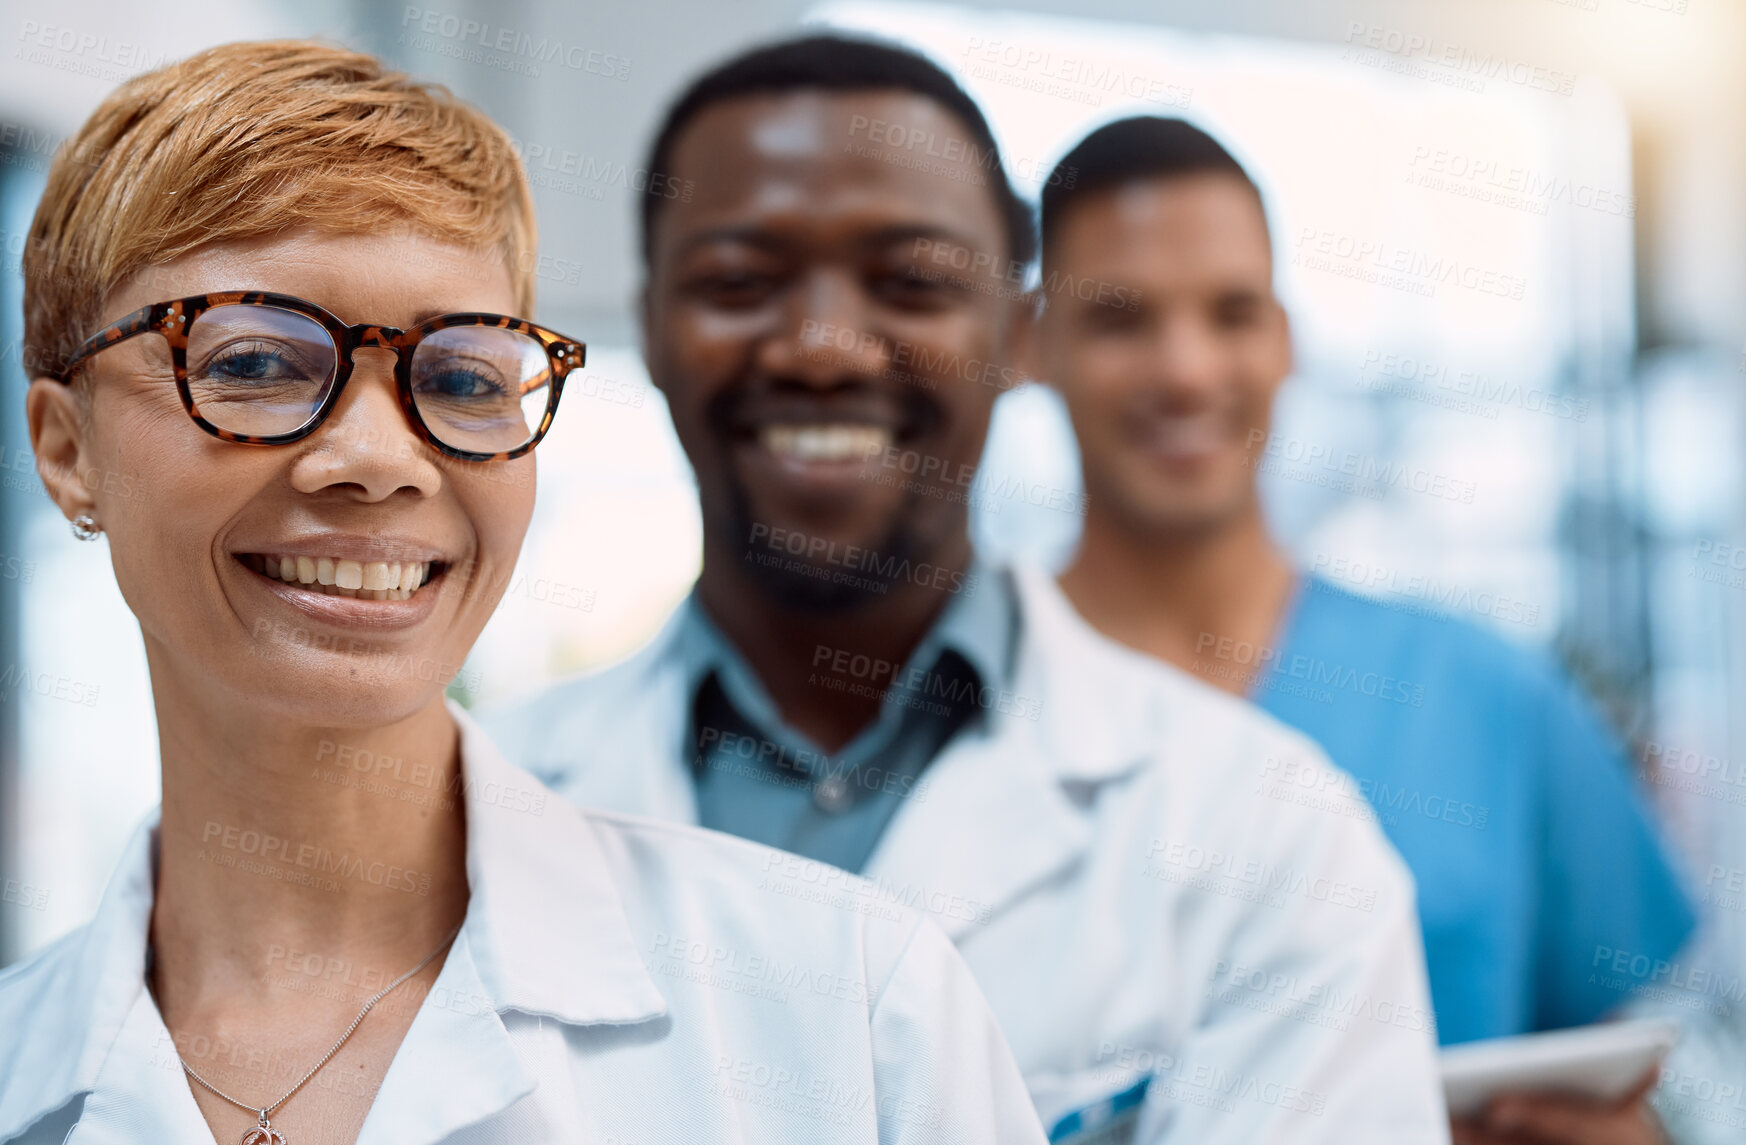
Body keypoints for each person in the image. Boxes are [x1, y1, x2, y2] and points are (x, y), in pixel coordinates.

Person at [0, 41, 1048, 1145]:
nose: (379, 456)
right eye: (256, 362)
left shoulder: (850, 1008)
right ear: (68, 451)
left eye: (460, 378)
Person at [486, 34, 1449, 1143]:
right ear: (651, 327)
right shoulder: (472, 818)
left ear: (1018, 334)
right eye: (741, 282)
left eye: (912, 283)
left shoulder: (1267, 837)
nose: (824, 348)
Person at [1026, 115, 1698, 1145]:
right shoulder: (962, 706)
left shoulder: (1487, 694)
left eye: (1232, 312)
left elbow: (1628, 1086)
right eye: (1122, 318)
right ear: (1033, 343)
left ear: (1285, 339)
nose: (1188, 370)